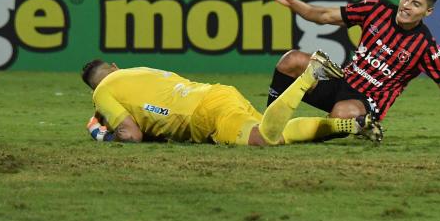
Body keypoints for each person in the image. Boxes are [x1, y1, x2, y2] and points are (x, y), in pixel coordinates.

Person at [266, 0, 440, 145]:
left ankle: (356, 124)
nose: (406, 6)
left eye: (416, 4)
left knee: (341, 115)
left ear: (428, 11)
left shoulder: (426, 47)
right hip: (342, 80)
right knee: (291, 60)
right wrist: (292, 2)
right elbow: (324, 15)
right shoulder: (375, 9)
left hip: (366, 102)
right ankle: (266, 122)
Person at [82, 52, 380, 145]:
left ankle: (307, 76)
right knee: (274, 132)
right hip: (216, 94)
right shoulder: (136, 71)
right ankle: (352, 125)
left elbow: (131, 135)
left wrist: (102, 134)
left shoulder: (102, 93)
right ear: (114, 67)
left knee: (263, 140)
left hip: (204, 114)